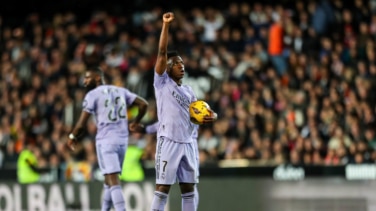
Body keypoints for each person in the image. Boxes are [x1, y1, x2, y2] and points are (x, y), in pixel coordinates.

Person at [150, 12, 217, 211]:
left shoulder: (188, 91)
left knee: (189, 189)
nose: (181, 66)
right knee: (162, 189)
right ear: (167, 67)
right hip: (168, 141)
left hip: (187, 143)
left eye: (182, 63)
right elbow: (162, 52)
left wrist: (212, 116)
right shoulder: (161, 83)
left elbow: (203, 113)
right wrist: (166, 25)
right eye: (176, 63)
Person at [67, 67, 148, 211]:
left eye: (87, 78)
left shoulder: (92, 95)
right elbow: (143, 104)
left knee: (113, 180)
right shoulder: (120, 91)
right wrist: (136, 121)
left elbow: (81, 123)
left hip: (106, 141)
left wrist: (73, 136)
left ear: (98, 78)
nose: (84, 81)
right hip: (123, 141)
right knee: (108, 179)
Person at [137, 122, 200, 210]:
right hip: (182, 143)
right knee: (165, 188)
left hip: (183, 142)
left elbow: (168, 120)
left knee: (188, 188)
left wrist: (146, 129)